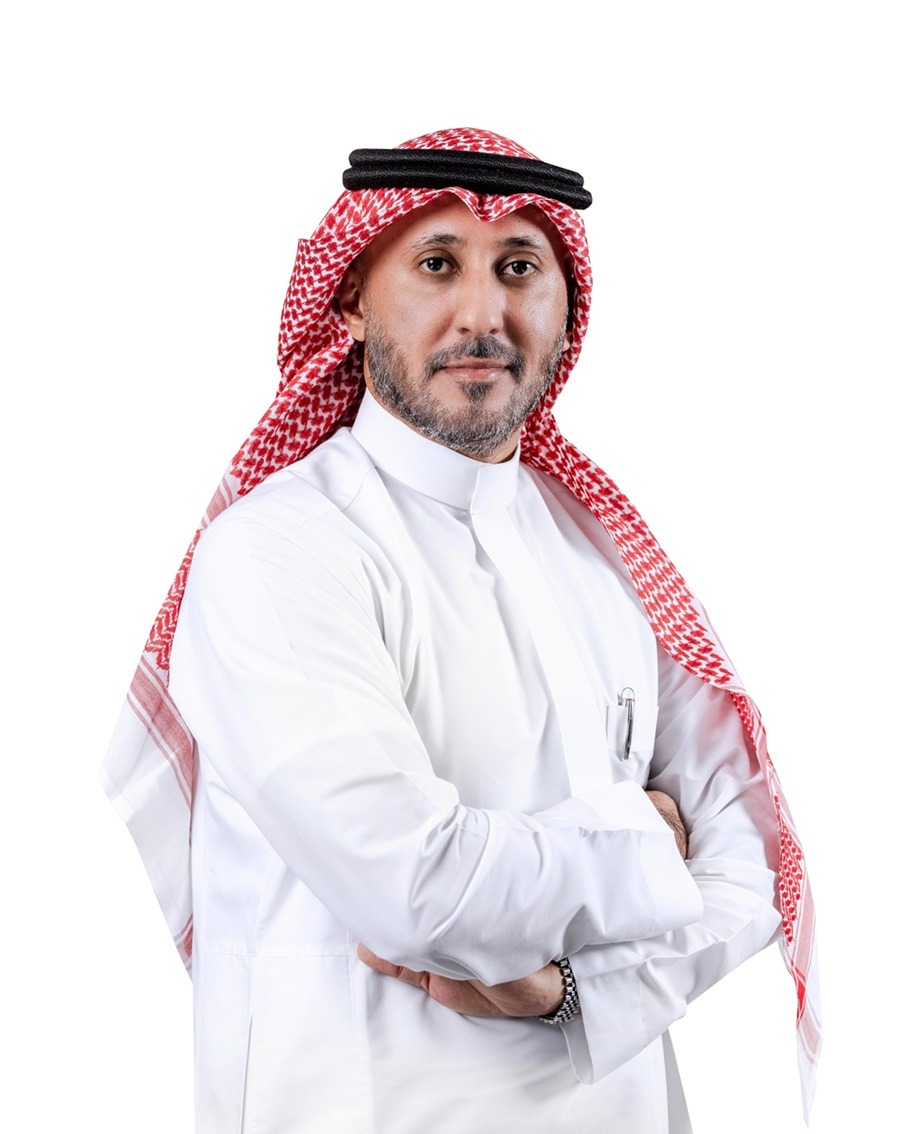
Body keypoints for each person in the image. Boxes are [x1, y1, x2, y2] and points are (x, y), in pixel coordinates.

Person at [102, 127, 820, 1133]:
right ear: (351, 299)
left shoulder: (602, 551)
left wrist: (577, 995)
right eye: (437, 264)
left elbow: (749, 863)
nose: (482, 314)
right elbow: (416, 891)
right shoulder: (277, 550)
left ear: (565, 305)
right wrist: (644, 838)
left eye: (518, 268)